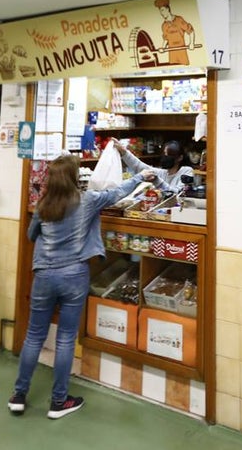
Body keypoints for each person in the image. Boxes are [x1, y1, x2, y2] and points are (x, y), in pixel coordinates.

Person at [9, 152, 167, 419]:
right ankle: (58, 402)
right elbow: (117, 193)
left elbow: (30, 235)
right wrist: (141, 176)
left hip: (44, 276)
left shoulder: (43, 204)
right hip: (73, 275)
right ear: (73, 177)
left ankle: (18, 395)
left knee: (34, 336)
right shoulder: (87, 201)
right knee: (66, 339)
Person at [114, 138, 196, 189]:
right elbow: (139, 166)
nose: (166, 157)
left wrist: (157, 181)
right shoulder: (163, 173)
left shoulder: (186, 171)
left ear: (180, 157)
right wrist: (124, 152)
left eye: (169, 155)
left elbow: (177, 194)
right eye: (164, 154)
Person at [154, 0, 195, 66]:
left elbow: (191, 31)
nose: (161, 13)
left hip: (182, 52)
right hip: (172, 53)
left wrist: (191, 43)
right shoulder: (164, 25)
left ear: (167, 9)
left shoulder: (179, 20)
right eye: (160, 11)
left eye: (162, 10)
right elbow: (166, 39)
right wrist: (163, 48)